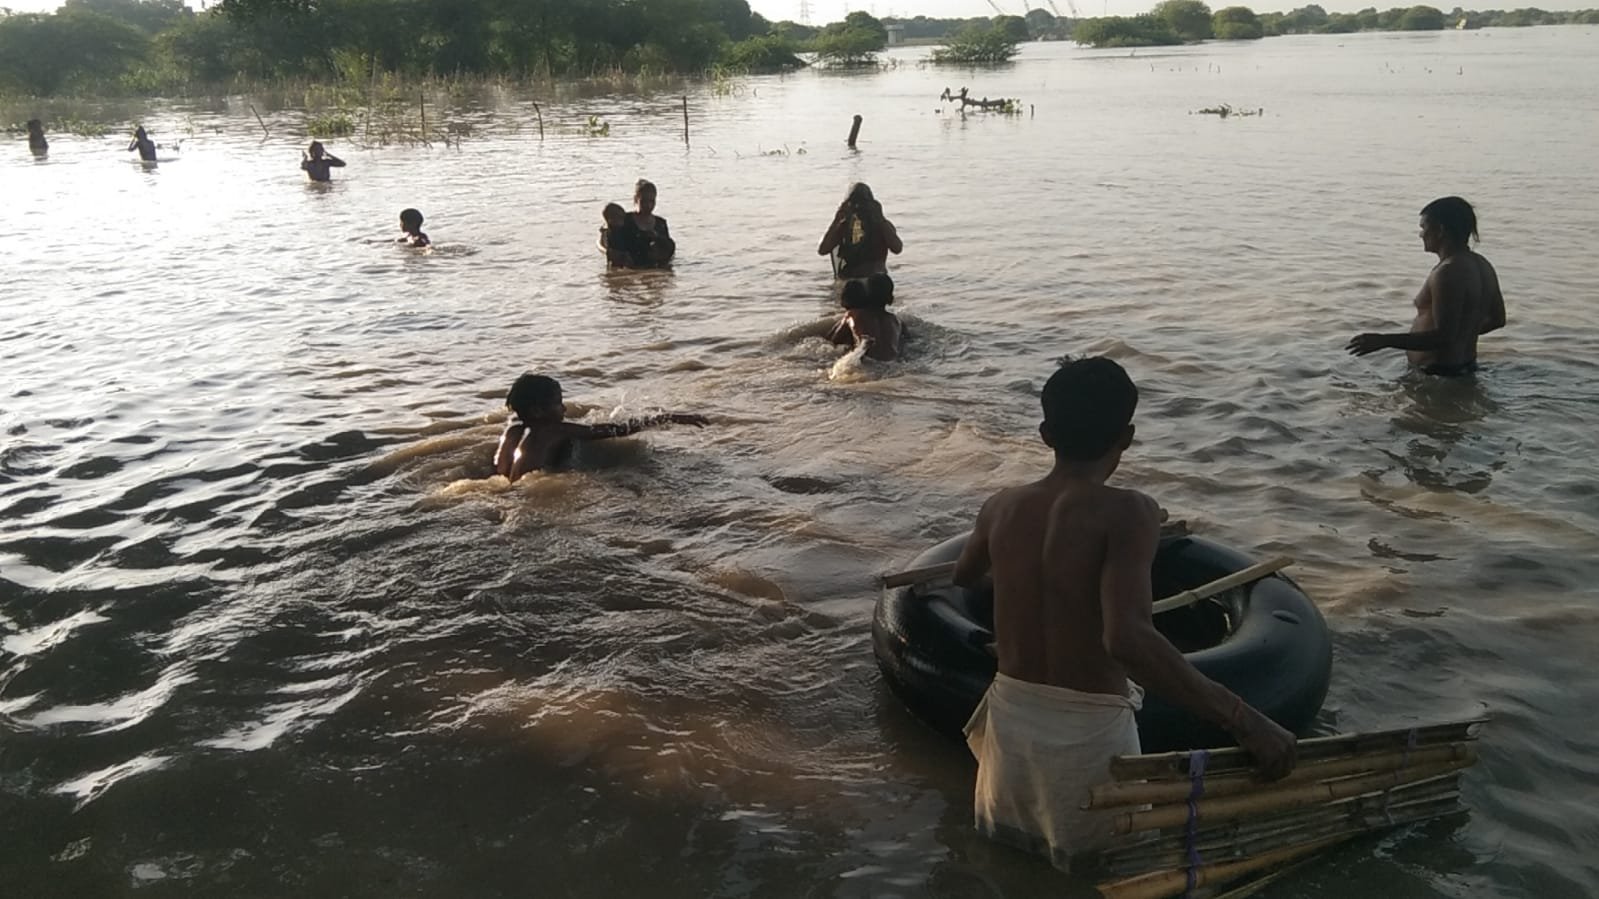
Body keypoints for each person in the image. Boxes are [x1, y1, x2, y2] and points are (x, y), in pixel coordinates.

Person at [952, 357, 1296, 870]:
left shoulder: (1001, 506)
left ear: (1046, 434)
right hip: (1086, 736)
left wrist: (1033, 590)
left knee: (1008, 868)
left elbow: (965, 576)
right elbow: (1126, 639)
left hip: (1012, 723)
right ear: (1127, 436)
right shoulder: (1129, 511)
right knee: (1109, 874)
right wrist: (1244, 720)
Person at [1346, 196, 1506, 377]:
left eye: (1423, 227)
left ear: (1440, 230)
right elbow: (1498, 319)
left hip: (1437, 374)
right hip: (1465, 367)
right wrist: (1463, 335)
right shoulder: (1483, 265)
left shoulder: (1447, 272)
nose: (1421, 234)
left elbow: (1443, 336)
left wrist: (1383, 341)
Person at [493, 374, 709, 482]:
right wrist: (669, 418)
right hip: (530, 491)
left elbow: (500, 470)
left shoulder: (512, 430)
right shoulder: (556, 430)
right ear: (537, 411)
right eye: (558, 403)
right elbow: (617, 429)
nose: (564, 408)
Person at [817, 182, 903, 280]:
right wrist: (837, 219)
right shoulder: (843, 226)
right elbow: (822, 250)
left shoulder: (881, 225)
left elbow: (897, 248)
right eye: (855, 204)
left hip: (875, 277)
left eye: (864, 204)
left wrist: (880, 219)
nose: (860, 208)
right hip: (852, 278)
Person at [828, 272, 903, 362]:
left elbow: (832, 342)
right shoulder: (896, 321)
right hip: (893, 362)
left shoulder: (853, 315)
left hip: (866, 363)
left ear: (867, 294)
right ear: (890, 297)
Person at [628, 179, 675, 266]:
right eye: (644, 201)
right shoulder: (626, 220)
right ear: (636, 199)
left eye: (652, 201)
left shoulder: (661, 223)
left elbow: (668, 250)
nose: (648, 205)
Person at [599, 202, 649, 268]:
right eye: (619, 217)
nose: (623, 220)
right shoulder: (609, 233)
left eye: (623, 217)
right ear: (609, 220)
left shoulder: (626, 228)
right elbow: (606, 247)